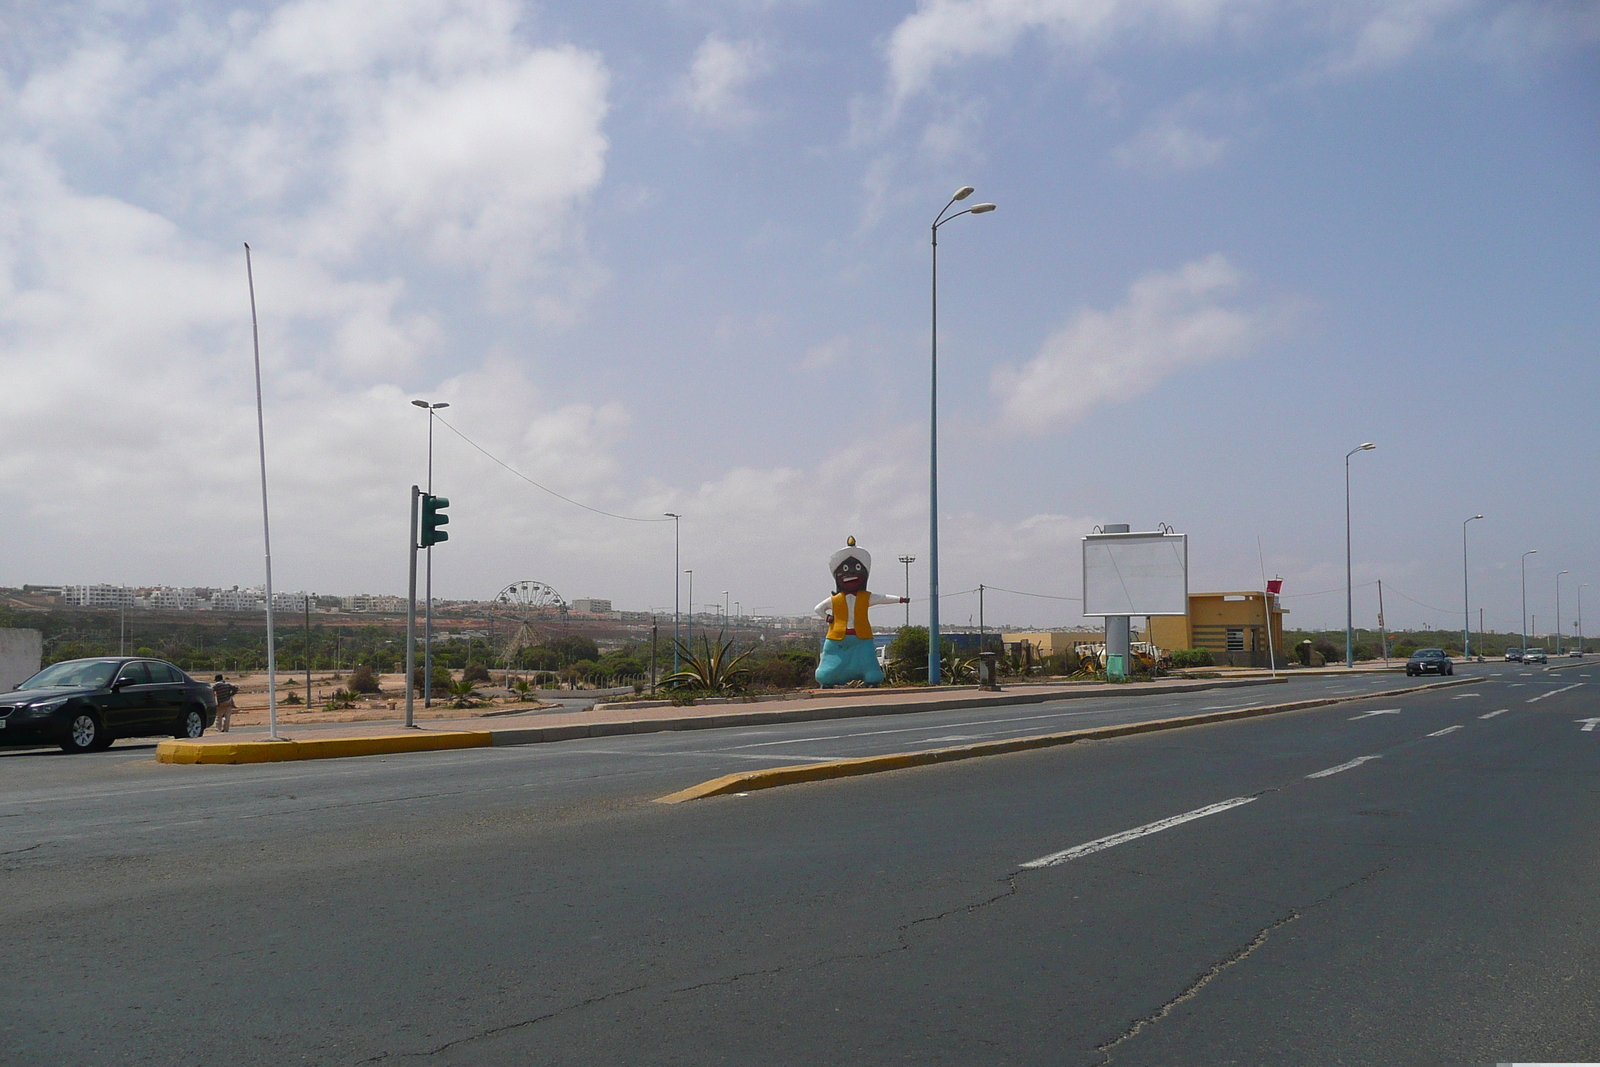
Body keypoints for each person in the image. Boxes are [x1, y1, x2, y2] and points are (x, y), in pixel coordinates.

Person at [813, 537, 907, 687]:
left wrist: (900, 599)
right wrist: (827, 617)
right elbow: (818, 609)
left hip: (862, 637)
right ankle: (827, 678)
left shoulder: (866, 597)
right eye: (844, 569)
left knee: (869, 663)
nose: (850, 573)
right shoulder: (835, 599)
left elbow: (883, 598)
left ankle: (871, 678)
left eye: (857, 568)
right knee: (828, 668)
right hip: (837, 638)